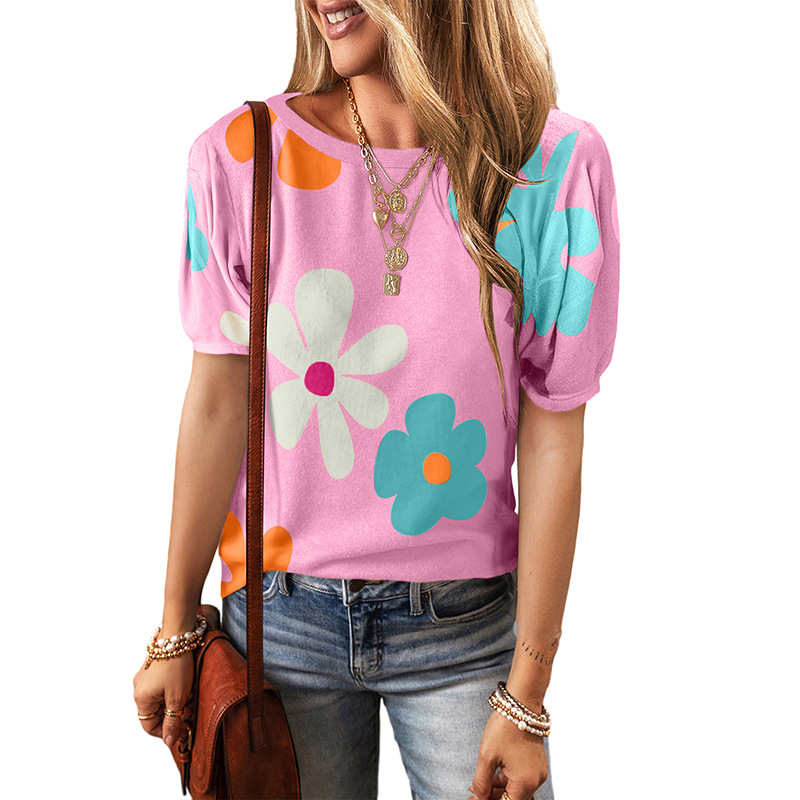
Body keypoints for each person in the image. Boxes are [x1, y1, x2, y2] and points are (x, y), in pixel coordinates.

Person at [132, 1, 620, 798]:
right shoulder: (240, 156)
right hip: (280, 628)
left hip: (466, 631)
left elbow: (555, 432)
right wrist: (174, 627)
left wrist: (528, 693)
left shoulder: (551, 166)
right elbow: (216, 403)